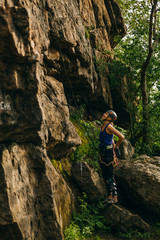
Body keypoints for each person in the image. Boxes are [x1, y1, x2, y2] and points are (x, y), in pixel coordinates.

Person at [99, 110, 124, 204]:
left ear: (109, 118)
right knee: (105, 175)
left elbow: (121, 137)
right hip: (103, 153)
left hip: (108, 153)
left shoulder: (109, 126)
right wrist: (113, 142)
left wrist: (116, 146)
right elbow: (111, 138)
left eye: (105, 114)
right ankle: (109, 196)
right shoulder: (103, 126)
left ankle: (115, 198)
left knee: (109, 175)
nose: (103, 114)